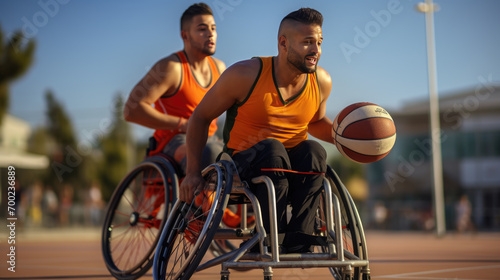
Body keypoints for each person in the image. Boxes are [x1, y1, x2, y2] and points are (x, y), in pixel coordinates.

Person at [182, 8, 335, 253]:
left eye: (319, 42)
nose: (316, 50)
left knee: (314, 151)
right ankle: (269, 234)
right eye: (307, 43)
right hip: (242, 163)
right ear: (283, 43)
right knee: (273, 148)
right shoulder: (245, 74)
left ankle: (299, 237)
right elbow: (200, 117)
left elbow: (315, 122)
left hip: (289, 164)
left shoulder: (321, 81)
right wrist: (192, 173)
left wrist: (342, 137)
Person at [124, 3, 225, 173]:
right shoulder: (172, 68)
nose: (210, 34)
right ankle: (201, 196)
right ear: (185, 35)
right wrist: (183, 124)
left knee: (247, 157)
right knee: (210, 154)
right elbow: (131, 110)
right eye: (202, 29)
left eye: (213, 28)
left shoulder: (220, 69)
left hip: (211, 138)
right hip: (176, 140)